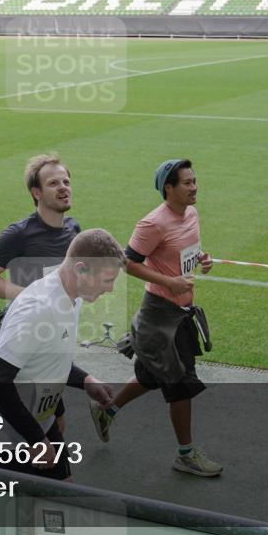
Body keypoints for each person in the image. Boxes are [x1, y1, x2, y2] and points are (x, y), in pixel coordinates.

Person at [89, 159, 221, 477]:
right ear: (168, 188)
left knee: (151, 375)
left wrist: (202, 259)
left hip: (181, 313)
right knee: (180, 384)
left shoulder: (191, 214)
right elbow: (128, 262)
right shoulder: (153, 223)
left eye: (194, 181)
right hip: (159, 316)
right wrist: (169, 282)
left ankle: (107, 410)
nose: (194, 187)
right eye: (187, 183)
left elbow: (183, 254)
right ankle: (185, 455)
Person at [0, 228, 124, 481]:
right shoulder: (37, 309)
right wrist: (36, 440)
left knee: (62, 495)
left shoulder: (73, 297)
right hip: (0, 438)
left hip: (36, 422)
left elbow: (47, 358)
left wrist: (85, 381)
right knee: (28, 505)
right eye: (107, 280)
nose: (111, 288)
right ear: (81, 269)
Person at [0, 153, 81, 429]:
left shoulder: (73, 229)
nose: (63, 187)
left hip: (55, 338)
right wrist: (32, 297)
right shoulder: (19, 234)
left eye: (66, 181)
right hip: (26, 338)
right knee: (25, 414)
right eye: (53, 183)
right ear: (36, 192)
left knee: (54, 420)